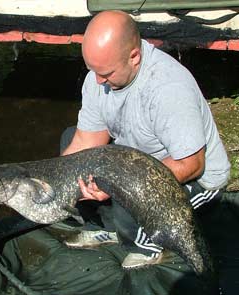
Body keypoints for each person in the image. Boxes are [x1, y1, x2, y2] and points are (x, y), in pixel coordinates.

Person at [60, 10, 230, 269]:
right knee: (70, 144)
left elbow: (192, 164)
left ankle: (146, 246)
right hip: (139, 156)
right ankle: (105, 228)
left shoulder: (168, 88)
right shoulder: (98, 77)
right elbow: (85, 140)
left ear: (134, 57)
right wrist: (60, 181)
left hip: (200, 180)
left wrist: (119, 182)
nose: (97, 80)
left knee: (129, 183)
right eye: (92, 69)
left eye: (105, 72)